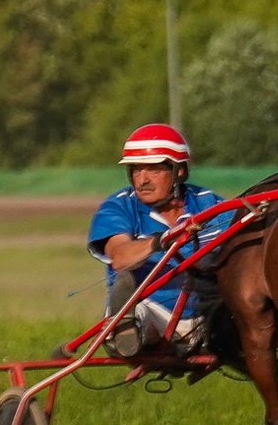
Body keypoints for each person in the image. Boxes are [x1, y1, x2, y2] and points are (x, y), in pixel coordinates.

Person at [88, 124, 223, 356]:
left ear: (179, 171)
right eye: (136, 170)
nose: (142, 180)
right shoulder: (119, 207)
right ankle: (125, 331)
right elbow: (120, 258)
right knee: (136, 312)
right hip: (154, 313)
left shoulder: (209, 203)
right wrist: (159, 241)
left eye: (153, 170)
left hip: (211, 314)